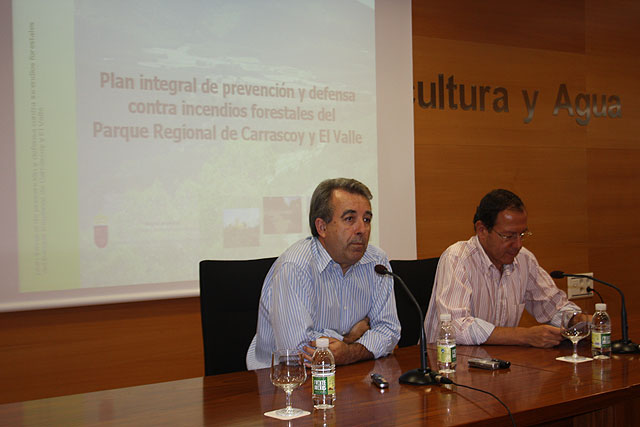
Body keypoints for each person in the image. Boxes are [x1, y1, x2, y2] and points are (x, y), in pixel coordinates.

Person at [246, 178, 401, 369]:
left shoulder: (377, 262)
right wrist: (351, 338)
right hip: (283, 379)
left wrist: (349, 352)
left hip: (349, 376)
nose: (362, 229)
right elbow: (298, 350)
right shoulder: (295, 267)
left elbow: (389, 330)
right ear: (322, 227)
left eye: (367, 219)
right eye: (350, 219)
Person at [424, 189, 580, 347]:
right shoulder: (457, 258)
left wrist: (578, 320)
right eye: (509, 236)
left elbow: (551, 306)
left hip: (500, 363)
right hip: (449, 363)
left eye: (522, 235)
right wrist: (525, 335)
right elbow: (456, 327)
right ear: (482, 230)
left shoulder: (524, 259)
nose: (518, 244)